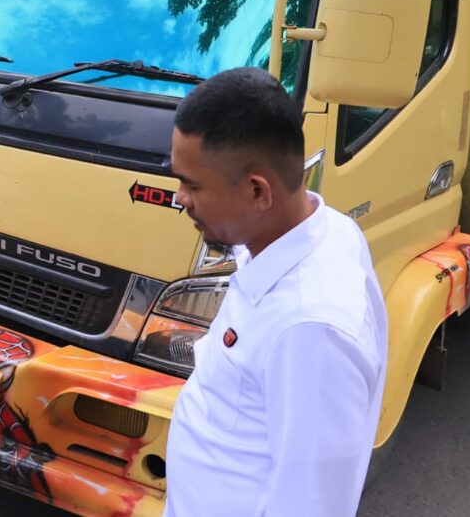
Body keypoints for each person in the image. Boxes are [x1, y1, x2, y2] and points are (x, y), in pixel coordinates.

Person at [163, 67, 387, 517]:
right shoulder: (310, 229)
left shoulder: (311, 329)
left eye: (192, 184)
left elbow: (312, 505)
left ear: (256, 191)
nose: (179, 197)